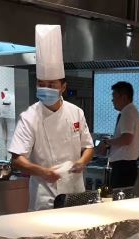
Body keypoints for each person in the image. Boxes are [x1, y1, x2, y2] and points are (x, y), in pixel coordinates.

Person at [9, 25, 94, 211]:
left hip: (75, 193)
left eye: (51, 85)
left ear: (63, 87)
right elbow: (17, 159)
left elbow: (88, 146)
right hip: (45, 195)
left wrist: (82, 162)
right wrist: (42, 172)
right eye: (41, 84)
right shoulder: (29, 117)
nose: (45, 89)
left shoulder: (76, 112)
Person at [98, 81, 139, 189]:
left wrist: (106, 142)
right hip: (126, 165)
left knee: (118, 196)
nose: (112, 100)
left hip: (123, 166)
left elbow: (126, 139)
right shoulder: (131, 111)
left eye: (114, 96)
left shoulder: (128, 113)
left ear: (124, 97)